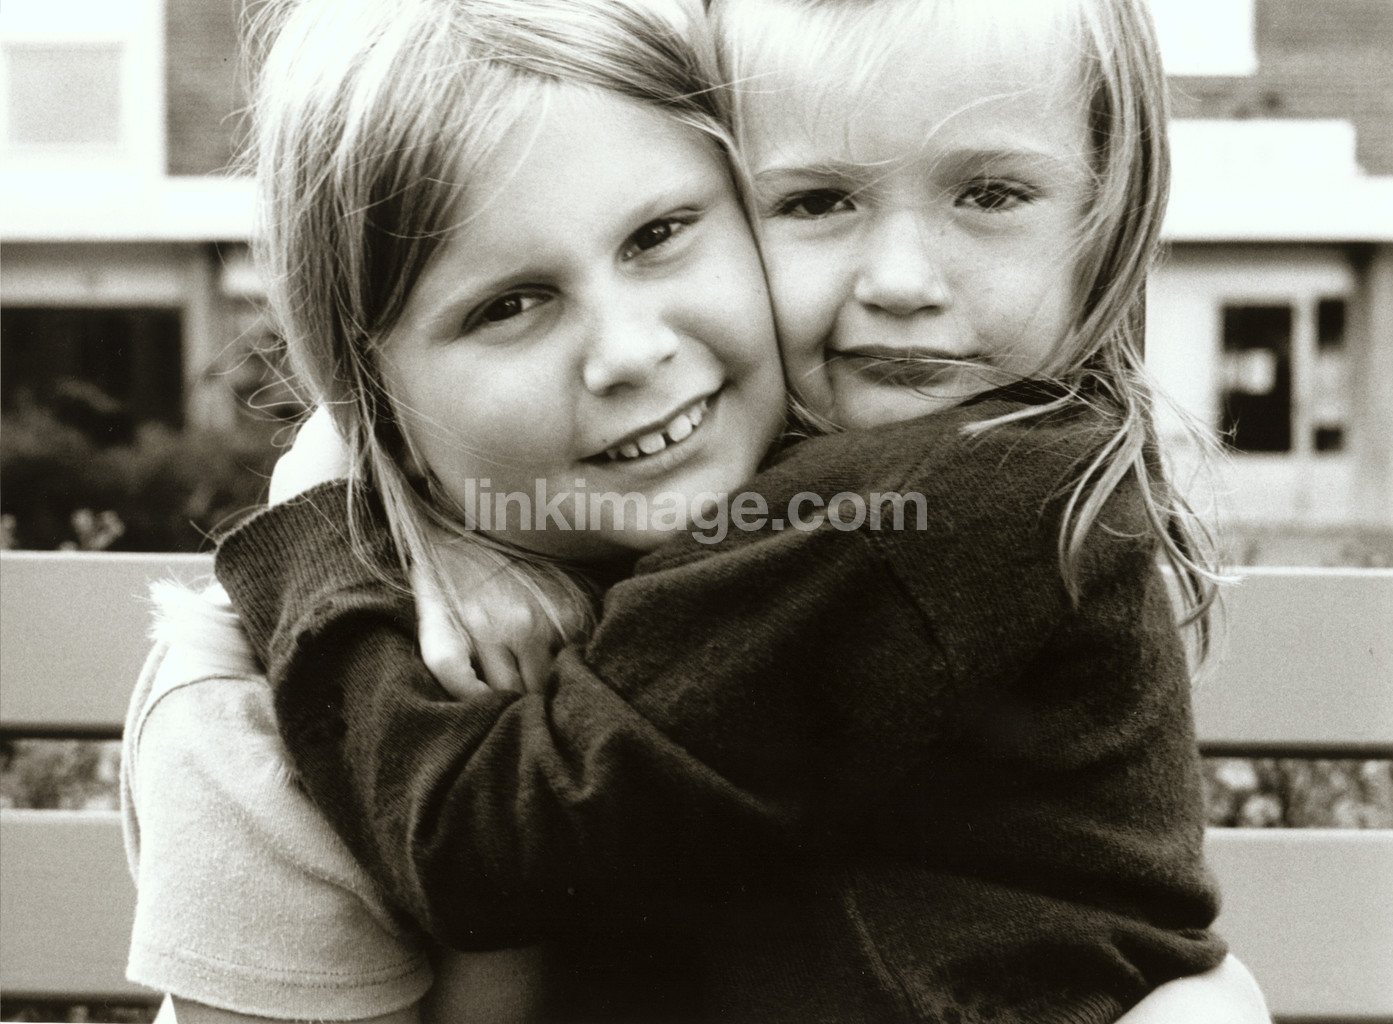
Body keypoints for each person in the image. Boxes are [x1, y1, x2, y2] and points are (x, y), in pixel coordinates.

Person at [208, 0, 1267, 1020]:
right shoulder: (979, 468)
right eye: (817, 202)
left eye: (989, 194)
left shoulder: (918, 508)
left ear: (1109, 212)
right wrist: (421, 531)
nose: (901, 281)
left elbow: (479, 845)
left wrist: (323, 537)